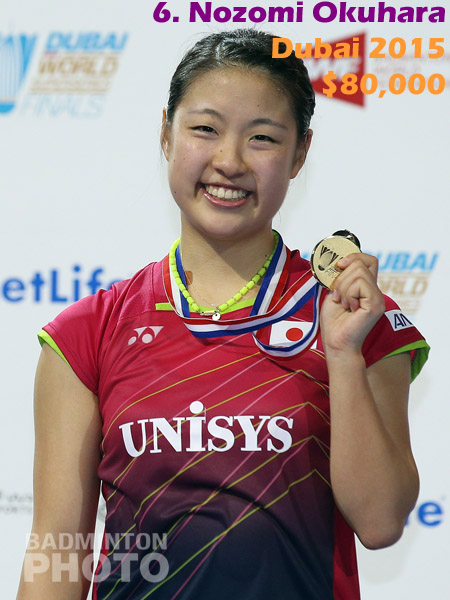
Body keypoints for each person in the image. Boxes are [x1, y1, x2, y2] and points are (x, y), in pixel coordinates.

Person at [17, 29, 429, 600]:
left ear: (300, 153)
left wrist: (342, 354)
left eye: (262, 138)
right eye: (205, 129)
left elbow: (381, 523)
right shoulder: (88, 332)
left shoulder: (354, 318)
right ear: (166, 133)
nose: (228, 161)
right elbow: (59, 548)